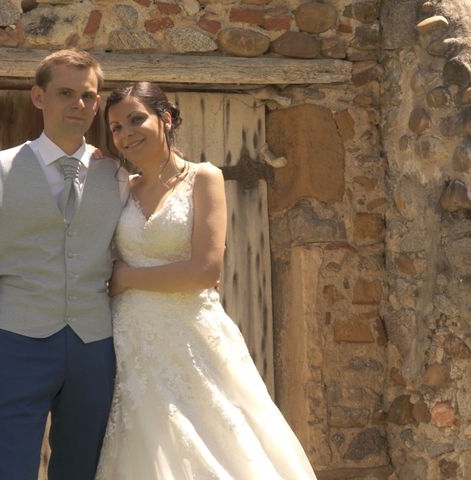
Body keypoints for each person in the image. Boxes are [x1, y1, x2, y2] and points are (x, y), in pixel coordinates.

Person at [95, 82, 317, 480]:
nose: (125, 133)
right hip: (132, 338)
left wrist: (125, 278)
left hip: (191, 334)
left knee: (219, 440)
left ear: (165, 117)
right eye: (115, 128)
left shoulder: (203, 178)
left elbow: (204, 271)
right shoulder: (121, 189)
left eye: (135, 119)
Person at [0, 49, 128, 480]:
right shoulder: (1, 170)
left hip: (93, 347)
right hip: (17, 346)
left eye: (88, 96)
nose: (79, 105)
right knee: (11, 470)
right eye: (66, 93)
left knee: (81, 471)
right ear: (37, 97)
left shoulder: (118, 175)